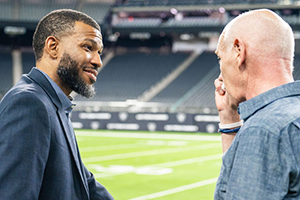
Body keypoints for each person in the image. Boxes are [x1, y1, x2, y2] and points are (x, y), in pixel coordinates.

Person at [0, 9, 114, 200]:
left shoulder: (55, 103)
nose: (98, 61)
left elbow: (84, 182)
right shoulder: (29, 103)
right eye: (88, 47)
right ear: (53, 47)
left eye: (99, 52)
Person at [214, 9, 300, 199]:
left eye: (220, 57)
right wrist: (229, 119)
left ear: (239, 51)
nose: (220, 73)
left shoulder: (264, 129)